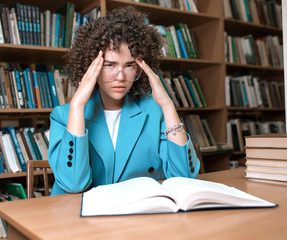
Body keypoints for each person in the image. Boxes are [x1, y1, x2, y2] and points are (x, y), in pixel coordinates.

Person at [48, 6, 200, 195]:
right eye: (110, 65)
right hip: (80, 218)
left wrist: (168, 105)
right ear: (91, 67)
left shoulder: (154, 112)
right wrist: (78, 105)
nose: (120, 76)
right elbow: (73, 184)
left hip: (137, 216)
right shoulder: (64, 115)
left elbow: (184, 177)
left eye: (129, 66)